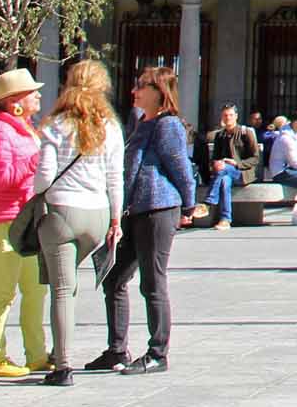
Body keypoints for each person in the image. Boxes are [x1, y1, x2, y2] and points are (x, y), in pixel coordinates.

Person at [88, 66, 195, 376]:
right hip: (135, 211)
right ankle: (117, 349)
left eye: (141, 86)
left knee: (153, 281)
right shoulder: (141, 122)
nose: (134, 91)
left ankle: (158, 352)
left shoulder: (168, 125)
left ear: (159, 92)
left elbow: (180, 168)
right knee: (114, 277)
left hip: (158, 209)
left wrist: (189, 206)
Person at [33, 60, 125, 385]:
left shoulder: (56, 124)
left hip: (63, 211)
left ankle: (63, 365)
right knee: (70, 281)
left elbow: (44, 175)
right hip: (97, 215)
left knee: (62, 289)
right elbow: (116, 177)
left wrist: (35, 194)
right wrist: (116, 218)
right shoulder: (111, 127)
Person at [0, 69, 48, 379]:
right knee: (3, 292)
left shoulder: (23, 128)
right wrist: (34, 163)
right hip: (3, 221)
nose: (38, 95)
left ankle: (37, 354)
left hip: (24, 219)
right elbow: (2, 180)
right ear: (15, 101)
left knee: (35, 289)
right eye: (32, 92)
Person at [196, 105, 260, 230]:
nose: (228, 118)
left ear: (236, 116)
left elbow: (255, 158)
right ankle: (225, 219)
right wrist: (216, 163)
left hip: (242, 172)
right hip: (224, 172)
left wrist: (236, 163)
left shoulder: (246, 132)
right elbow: (215, 157)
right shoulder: (220, 135)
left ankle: (208, 203)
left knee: (224, 168)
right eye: (225, 115)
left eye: (230, 115)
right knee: (225, 181)